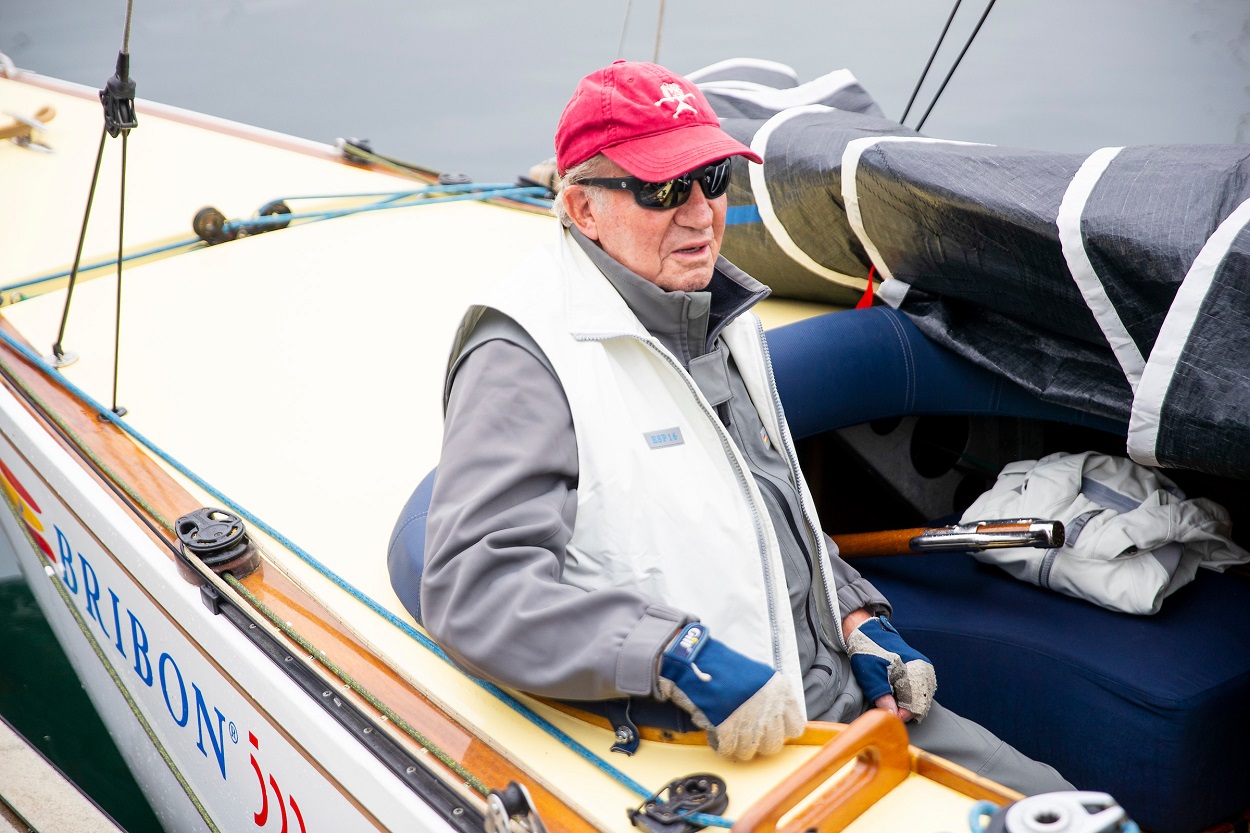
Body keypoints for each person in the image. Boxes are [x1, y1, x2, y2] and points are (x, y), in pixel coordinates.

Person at [409, 60, 1070, 792]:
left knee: (1063, 804)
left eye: (713, 178)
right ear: (582, 208)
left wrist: (853, 618)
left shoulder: (718, 309)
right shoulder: (524, 358)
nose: (700, 213)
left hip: (847, 709)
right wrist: (676, 653)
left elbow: (760, 513)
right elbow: (476, 585)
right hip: (719, 747)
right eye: (663, 189)